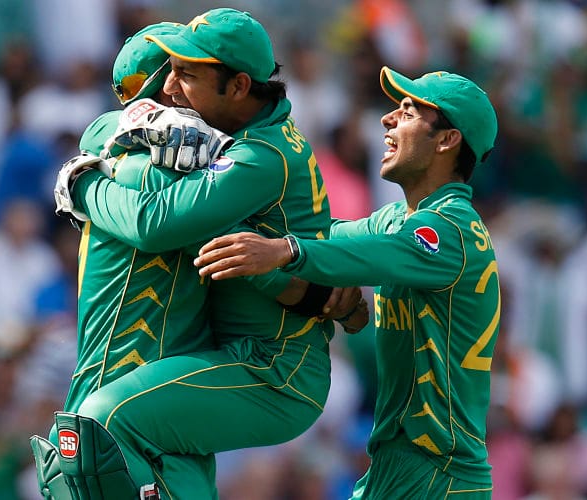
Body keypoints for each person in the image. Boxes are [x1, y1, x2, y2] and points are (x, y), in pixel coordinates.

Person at [32, 18, 364, 500]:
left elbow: (155, 225)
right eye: (163, 77)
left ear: (238, 86)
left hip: (269, 369)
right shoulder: (166, 152)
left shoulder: (250, 156)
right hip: (207, 362)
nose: (166, 93)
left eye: (183, 74)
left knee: (99, 429)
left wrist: (83, 185)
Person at [195, 66, 501, 499]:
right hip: (394, 469)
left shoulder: (451, 229)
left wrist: (284, 250)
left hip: (441, 475)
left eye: (409, 111)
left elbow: (356, 255)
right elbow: (328, 238)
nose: (387, 118)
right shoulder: (397, 219)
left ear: (448, 140)